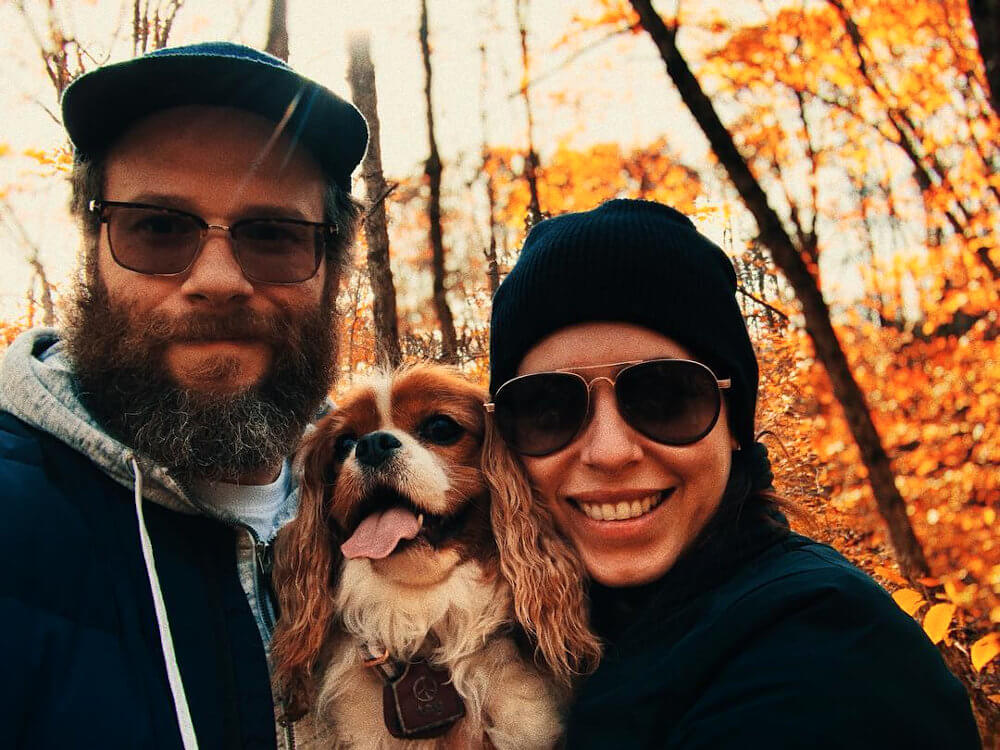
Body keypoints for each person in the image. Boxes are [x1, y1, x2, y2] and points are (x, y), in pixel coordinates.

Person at [483, 199, 980, 748]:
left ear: (735, 425)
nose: (608, 451)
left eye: (665, 397)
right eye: (546, 409)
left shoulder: (826, 649)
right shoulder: (523, 642)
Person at [0, 42, 367, 749]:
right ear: (93, 250)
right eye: (160, 228)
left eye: (272, 234)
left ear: (331, 267)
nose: (219, 278)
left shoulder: (413, 508)